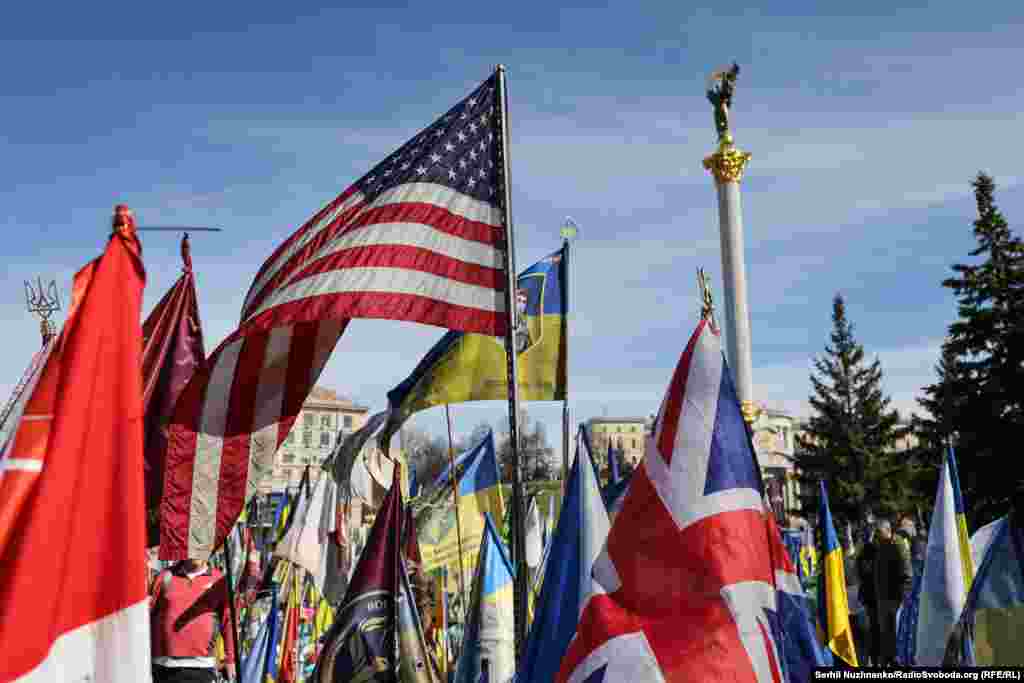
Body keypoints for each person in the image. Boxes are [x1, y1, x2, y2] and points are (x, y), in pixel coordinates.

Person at [150, 558, 236, 683]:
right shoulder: (165, 576)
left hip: (201, 665)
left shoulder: (219, 580)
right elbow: (148, 616)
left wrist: (231, 660)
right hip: (164, 665)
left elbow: (228, 622)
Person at [873, 519, 912, 666]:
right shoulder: (880, 545)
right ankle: (888, 661)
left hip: (896, 598)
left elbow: (906, 573)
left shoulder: (898, 544)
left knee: (896, 634)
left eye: (879, 532)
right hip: (883, 598)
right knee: (886, 635)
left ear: (887, 530)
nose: (876, 535)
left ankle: (898, 662)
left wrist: (903, 598)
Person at [855, 529, 880, 666]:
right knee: (875, 635)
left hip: (865, 599)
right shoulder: (878, 552)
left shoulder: (862, 555)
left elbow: (859, 574)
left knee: (866, 636)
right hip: (875, 600)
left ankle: (868, 661)